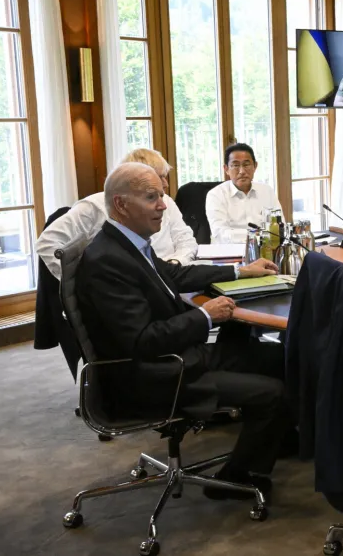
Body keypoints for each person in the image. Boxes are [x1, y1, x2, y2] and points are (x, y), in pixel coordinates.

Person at [76, 162, 293, 499]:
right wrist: (205, 316)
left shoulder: (126, 244)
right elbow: (141, 340)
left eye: (161, 196)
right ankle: (237, 478)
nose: (163, 205)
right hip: (155, 375)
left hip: (176, 356)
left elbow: (173, 277)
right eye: (152, 198)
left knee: (276, 355)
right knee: (272, 392)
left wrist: (239, 272)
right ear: (121, 204)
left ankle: (278, 439)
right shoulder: (108, 260)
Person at [36, 148, 197, 279]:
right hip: (128, 289)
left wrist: (175, 262)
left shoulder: (166, 201)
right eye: (159, 177)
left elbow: (186, 241)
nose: (166, 184)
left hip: (170, 279)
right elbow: (47, 242)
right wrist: (79, 283)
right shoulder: (94, 206)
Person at [206, 142, 283, 244]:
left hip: (264, 250)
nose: (242, 171)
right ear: (226, 169)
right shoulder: (216, 195)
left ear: (255, 166)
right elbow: (221, 234)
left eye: (246, 164)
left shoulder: (267, 191)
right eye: (235, 165)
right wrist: (259, 235)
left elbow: (279, 227)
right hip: (229, 253)